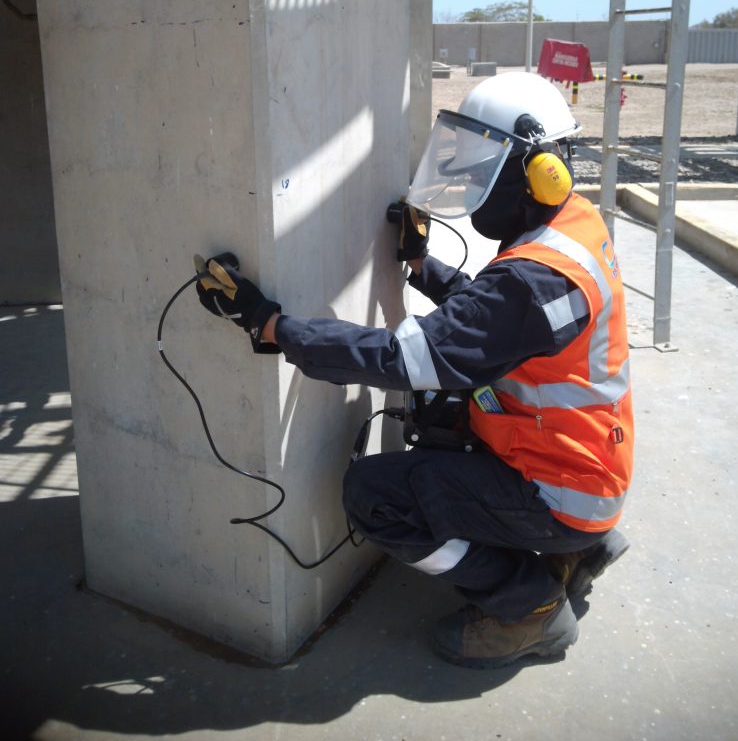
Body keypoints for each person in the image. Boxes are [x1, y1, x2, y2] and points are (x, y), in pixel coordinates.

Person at [195, 71, 633, 670]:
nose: (472, 180)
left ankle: (524, 606)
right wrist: (421, 266)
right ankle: (577, 551)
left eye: (485, 168)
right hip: (588, 468)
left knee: (374, 496)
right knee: (452, 421)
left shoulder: (534, 280)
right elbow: (497, 321)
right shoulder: (571, 230)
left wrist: (269, 325)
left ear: (538, 174)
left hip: (556, 489)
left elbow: (400, 359)